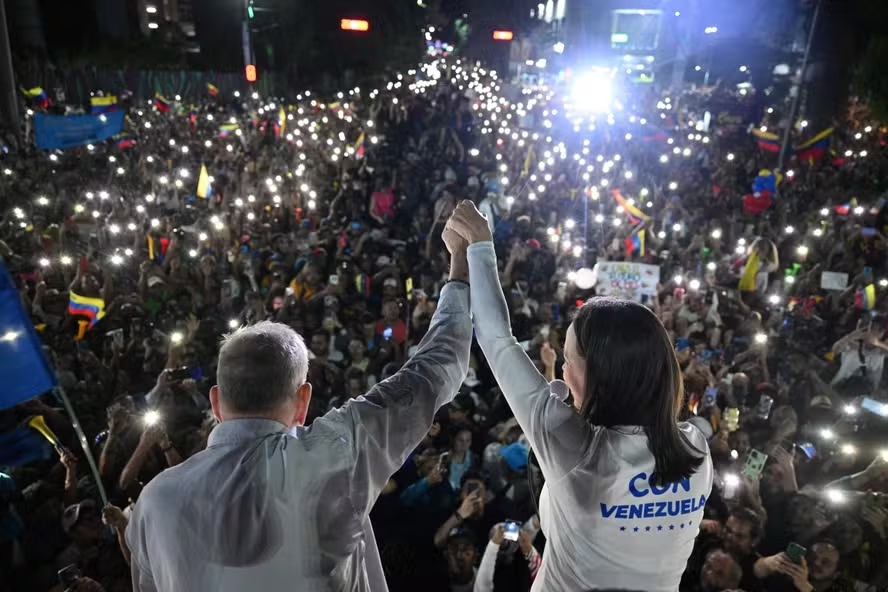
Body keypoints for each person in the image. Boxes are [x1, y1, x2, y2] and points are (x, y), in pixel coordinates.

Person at [125, 228, 474, 591]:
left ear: (215, 402)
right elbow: (436, 366)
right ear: (303, 401)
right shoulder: (336, 455)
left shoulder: (154, 501)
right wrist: (460, 268)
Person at [445, 200, 713, 591]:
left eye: (568, 360)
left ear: (602, 378)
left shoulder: (572, 445)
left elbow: (495, 338)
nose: (563, 372)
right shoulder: (697, 449)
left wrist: (481, 245)